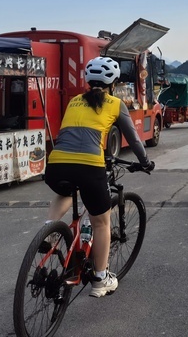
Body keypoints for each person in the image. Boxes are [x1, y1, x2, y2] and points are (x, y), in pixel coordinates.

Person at [44, 56, 154, 298]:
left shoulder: (74, 101)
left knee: (65, 191)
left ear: (87, 80)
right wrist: (145, 162)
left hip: (55, 166)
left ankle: (49, 231)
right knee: (101, 223)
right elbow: (134, 139)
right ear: (113, 82)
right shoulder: (115, 103)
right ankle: (100, 278)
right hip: (90, 168)